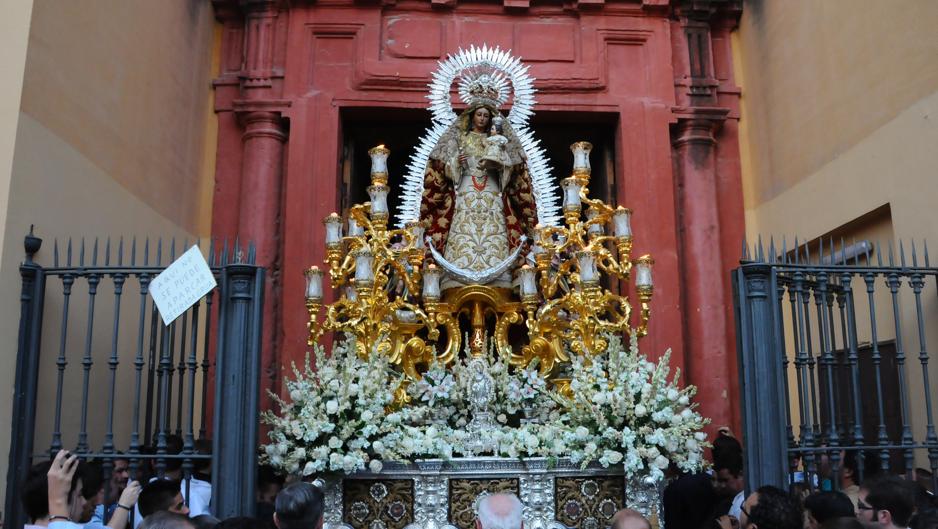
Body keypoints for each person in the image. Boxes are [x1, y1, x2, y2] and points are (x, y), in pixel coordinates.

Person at [419, 86, 538, 289]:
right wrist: (457, 161)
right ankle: (457, 274)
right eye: (479, 114)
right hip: (466, 190)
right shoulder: (460, 138)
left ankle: (501, 275)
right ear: (471, 116)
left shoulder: (500, 139)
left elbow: (512, 169)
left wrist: (500, 165)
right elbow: (444, 169)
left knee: (496, 226)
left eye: (485, 115)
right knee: (463, 227)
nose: (482, 119)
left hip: (492, 191)